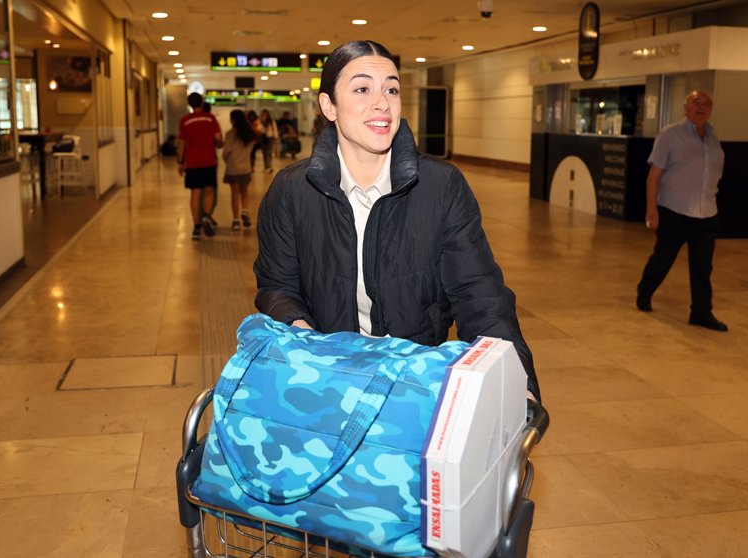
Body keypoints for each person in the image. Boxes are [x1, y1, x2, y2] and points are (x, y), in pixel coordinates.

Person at [253, 40, 540, 401]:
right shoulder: (292, 190)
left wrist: (513, 380)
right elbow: (277, 285)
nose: (382, 103)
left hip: (413, 381)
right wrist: (307, 338)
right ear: (329, 106)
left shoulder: (440, 185)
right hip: (327, 376)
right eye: (362, 89)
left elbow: (479, 293)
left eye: (391, 89)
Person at [636, 90, 727, 331]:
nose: (702, 107)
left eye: (707, 104)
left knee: (702, 267)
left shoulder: (714, 139)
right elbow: (654, 176)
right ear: (686, 107)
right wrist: (651, 209)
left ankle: (701, 312)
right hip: (674, 211)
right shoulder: (670, 134)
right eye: (696, 102)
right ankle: (645, 291)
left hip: (706, 213)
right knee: (663, 259)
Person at [177, 92, 223, 240]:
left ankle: (196, 227)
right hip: (209, 161)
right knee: (209, 190)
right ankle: (206, 215)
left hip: (192, 163)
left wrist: (180, 162)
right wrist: (218, 143)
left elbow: (181, 143)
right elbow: (218, 138)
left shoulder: (185, 120)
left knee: (195, 194)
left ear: (189, 104)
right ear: (202, 102)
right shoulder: (210, 118)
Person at [222, 109, 259, 230]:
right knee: (244, 192)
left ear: (233, 120)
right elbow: (252, 149)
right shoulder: (250, 134)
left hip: (233, 168)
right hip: (245, 167)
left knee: (234, 194)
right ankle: (245, 211)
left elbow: (226, 152)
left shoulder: (230, 134)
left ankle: (236, 221)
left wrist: (227, 160)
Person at [259, 109, 278, 173]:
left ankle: (269, 166)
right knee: (265, 153)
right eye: (263, 114)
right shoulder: (261, 122)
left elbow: (275, 129)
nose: (264, 116)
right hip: (263, 138)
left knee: (269, 152)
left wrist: (276, 138)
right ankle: (266, 166)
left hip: (270, 138)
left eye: (265, 114)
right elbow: (260, 130)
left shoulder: (271, 122)